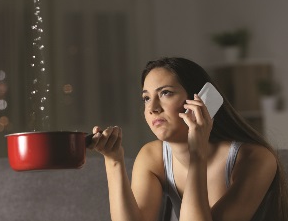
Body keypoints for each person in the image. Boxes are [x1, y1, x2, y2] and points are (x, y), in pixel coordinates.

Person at [89, 57, 288, 221]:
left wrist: (197, 153)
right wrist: (114, 161)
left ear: (200, 100)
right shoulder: (152, 156)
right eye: (146, 98)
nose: (152, 108)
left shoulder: (256, 159)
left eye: (165, 93)